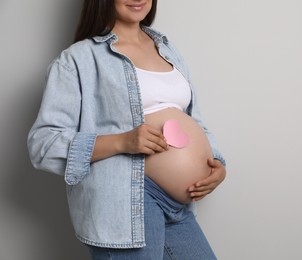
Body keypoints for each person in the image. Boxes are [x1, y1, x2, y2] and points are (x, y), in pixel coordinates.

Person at [27, 0, 226, 259]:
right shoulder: (78, 59)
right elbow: (43, 144)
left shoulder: (167, 50)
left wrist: (216, 164)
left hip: (179, 205)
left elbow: (194, 120)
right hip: (126, 202)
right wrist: (123, 142)